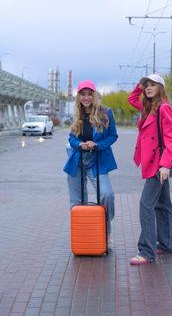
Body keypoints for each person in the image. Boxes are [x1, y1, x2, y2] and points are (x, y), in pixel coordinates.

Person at [128, 74, 172, 265]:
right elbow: (132, 99)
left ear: (161, 88)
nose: (148, 88)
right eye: (146, 85)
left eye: (152, 85)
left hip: (159, 165)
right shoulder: (148, 108)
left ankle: (147, 251)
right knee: (163, 205)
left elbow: (171, 137)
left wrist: (165, 165)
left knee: (146, 204)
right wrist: (139, 85)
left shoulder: (163, 108)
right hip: (154, 162)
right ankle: (166, 244)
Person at [63, 79, 118, 247]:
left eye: (89, 94)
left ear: (94, 95)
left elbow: (112, 136)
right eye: (83, 95)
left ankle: (106, 231)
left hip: (97, 160)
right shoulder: (76, 114)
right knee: (77, 202)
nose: (86, 98)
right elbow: (71, 138)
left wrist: (97, 145)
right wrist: (79, 144)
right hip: (77, 160)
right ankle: (83, 236)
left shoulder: (105, 113)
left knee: (107, 195)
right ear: (79, 97)